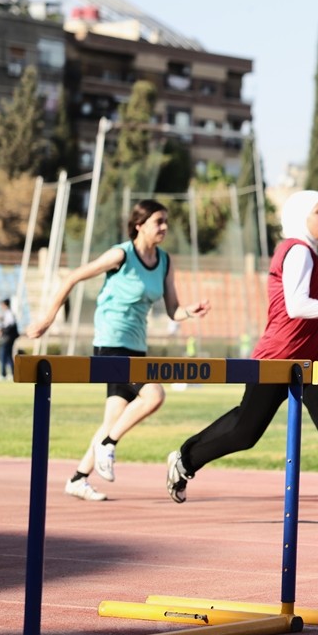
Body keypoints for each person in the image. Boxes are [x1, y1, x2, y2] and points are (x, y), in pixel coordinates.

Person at [165, 190, 318, 528]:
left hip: (309, 359)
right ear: (300, 216)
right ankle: (185, 458)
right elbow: (296, 306)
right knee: (244, 432)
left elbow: (298, 313)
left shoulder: (307, 253)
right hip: (277, 358)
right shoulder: (298, 250)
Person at [27, 199, 211, 501]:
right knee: (154, 395)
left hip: (136, 347)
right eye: (158, 221)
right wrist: (47, 319)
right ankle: (108, 444)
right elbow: (73, 277)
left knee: (114, 416)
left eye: (166, 221)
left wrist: (190, 311)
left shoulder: (164, 261)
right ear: (139, 225)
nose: (164, 227)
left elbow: (173, 310)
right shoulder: (120, 254)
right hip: (111, 343)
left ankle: (78, 478)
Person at [0, 298, 19, 381]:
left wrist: (1, 330)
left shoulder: (9, 313)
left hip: (8, 337)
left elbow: (10, 325)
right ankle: (12, 374)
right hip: (9, 337)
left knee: (3, 355)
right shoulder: (7, 313)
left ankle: (3, 374)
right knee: (8, 356)